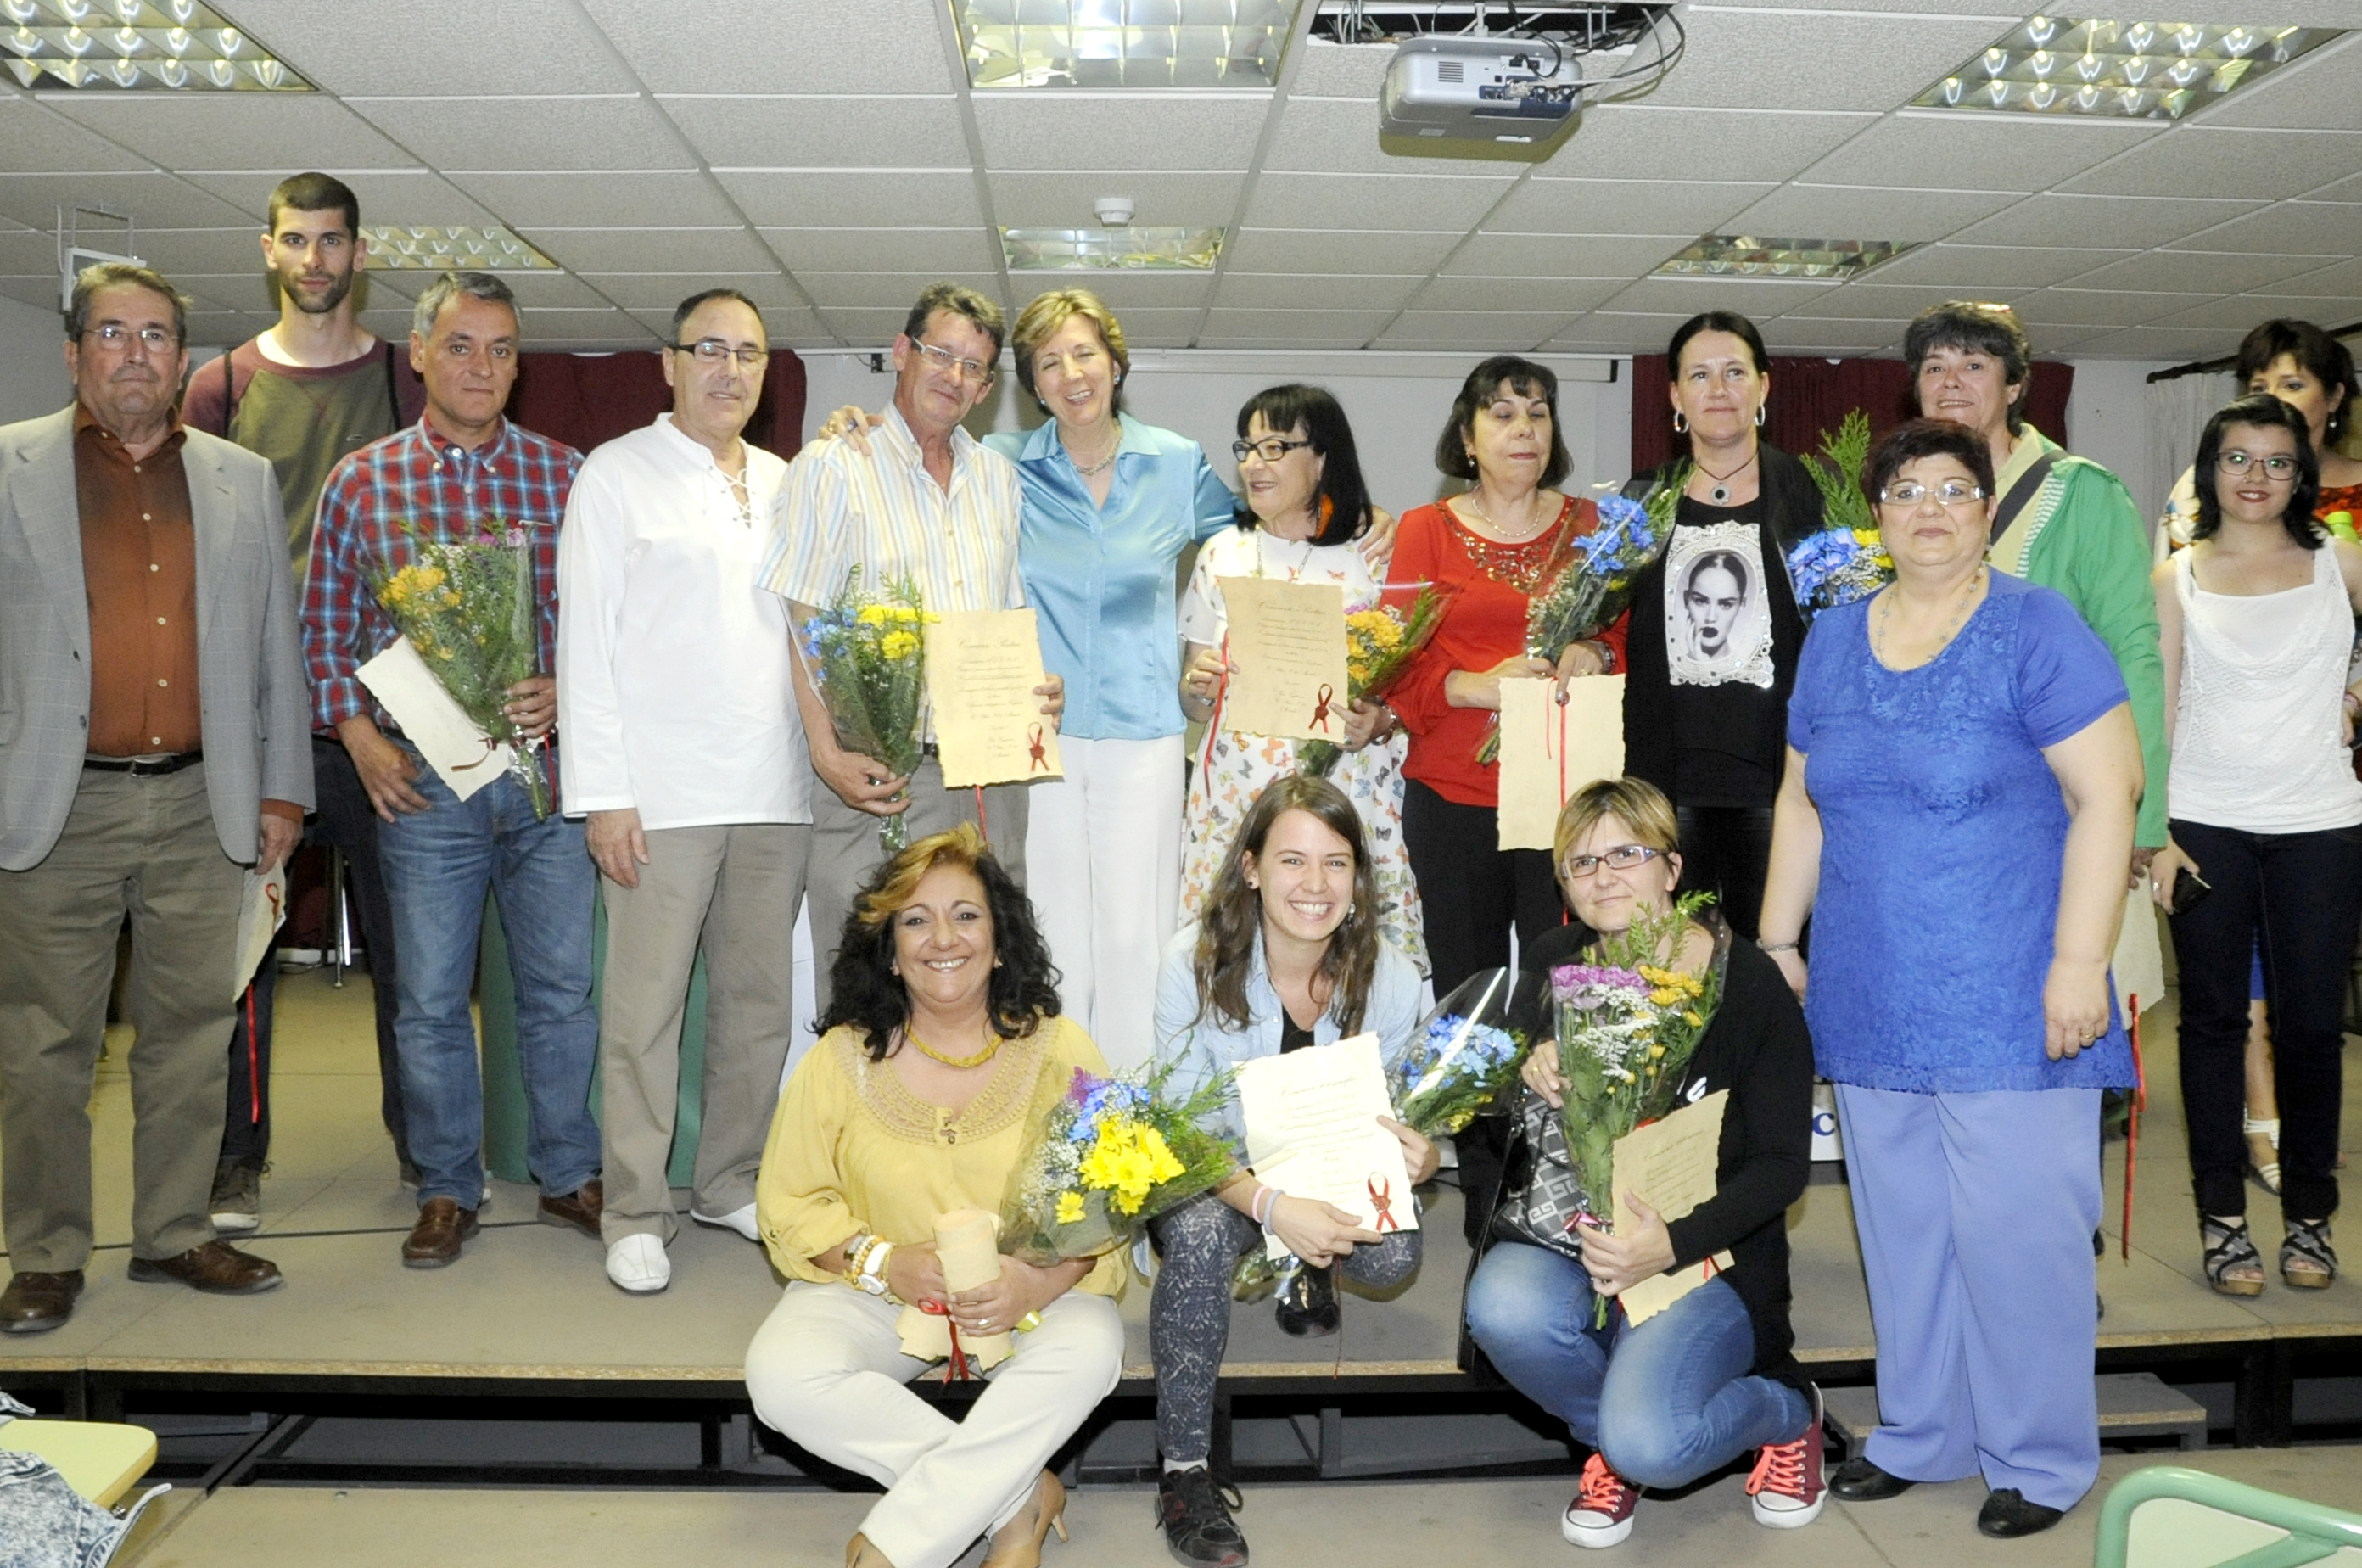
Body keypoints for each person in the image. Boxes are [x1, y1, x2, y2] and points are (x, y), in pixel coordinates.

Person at [1759, 417, 2143, 1538]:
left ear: (1987, 511)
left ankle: (2041, 1455)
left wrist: (2081, 963)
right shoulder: (1832, 637)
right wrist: (1780, 940)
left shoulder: (2037, 627)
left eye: (1956, 488)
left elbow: (2108, 795)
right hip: (1870, 989)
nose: (1931, 506)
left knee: (2022, 1239)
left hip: (2015, 992)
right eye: (1907, 489)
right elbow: (1799, 797)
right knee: (1906, 1231)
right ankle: (1923, 1431)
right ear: (1876, 515)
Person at [811, 288, 1235, 1069]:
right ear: (1029, 386)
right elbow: (915, 442)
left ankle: (1134, 1122)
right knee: (1048, 933)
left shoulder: (1176, 463)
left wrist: (1358, 514)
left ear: (1115, 362)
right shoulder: (1001, 466)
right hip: (1030, 741)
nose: (1072, 374)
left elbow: (1255, 537)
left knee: (1138, 937)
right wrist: (858, 422)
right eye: (1049, 362)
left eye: (1085, 354)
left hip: (1144, 738)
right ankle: (1061, 1115)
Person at [0, 263, 308, 1334]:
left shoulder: (240, 478)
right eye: (115, 333)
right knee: (46, 1042)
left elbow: (277, 649)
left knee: (192, 1029)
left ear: (184, 359)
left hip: (201, 802)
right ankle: (43, 1250)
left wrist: (284, 790)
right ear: (77, 351)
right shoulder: (8, 467)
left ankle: (176, 1231)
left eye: (159, 335)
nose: (137, 353)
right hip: (55, 808)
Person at [304, 271, 603, 1270]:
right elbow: (325, 634)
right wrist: (357, 735)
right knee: (429, 1000)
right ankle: (446, 1185)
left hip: (547, 785)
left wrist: (567, 686)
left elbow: (608, 628)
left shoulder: (568, 477)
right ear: (419, 352)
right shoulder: (362, 481)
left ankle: (567, 1172)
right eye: (463, 346)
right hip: (424, 791)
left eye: (504, 348)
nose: (484, 367)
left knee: (561, 992)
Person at [744, 824, 1122, 1568]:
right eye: (915, 920)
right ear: (889, 950)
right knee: (781, 1374)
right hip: (879, 1291)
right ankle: (1018, 1502)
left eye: (966, 914)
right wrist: (884, 1262)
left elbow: (1109, 1198)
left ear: (1001, 939)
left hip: (1028, 1293)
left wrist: (1032, 1280)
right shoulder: (839, 1059)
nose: (941, 937)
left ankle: (900, 1544)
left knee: (1094, 1348)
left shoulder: (1060, 1048)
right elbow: (788, 1202)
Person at [1466, 777, 1821, 1550]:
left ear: (1672, 867)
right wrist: (1530, 1066)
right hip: (1580, 1243)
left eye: (1626, 853)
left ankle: (1787, 1414)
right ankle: (1615, 1440)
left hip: (1707, 1260)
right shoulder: (1558, 961)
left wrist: (1669, 1245)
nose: (1604, 877)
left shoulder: (1750, 983)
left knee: (1658, 1446)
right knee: (1501, 1308)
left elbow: (1782, 1166)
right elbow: (1503, 1131)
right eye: (1581, 863)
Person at [180, 171, 428, 1231]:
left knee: (407, 954)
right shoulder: (219, 385)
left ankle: (429, 1155)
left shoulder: (403, 380)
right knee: (245, 954)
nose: (316, 260)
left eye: (334, 242)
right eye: (297, 241)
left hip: (382, 719)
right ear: (269, 252)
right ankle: (236, 1159)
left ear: (359, 255)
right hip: (255, 718)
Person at [556, 288, 809, 1295]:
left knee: (756, 1008)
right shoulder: (616, 475)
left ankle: (728, 1181)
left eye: (748, 354)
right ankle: (634, 1206)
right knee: (644, 1013)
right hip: (658, 795)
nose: (729, 369)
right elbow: (586, 643)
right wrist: (604, 795)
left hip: (776, 786)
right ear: (669, 363)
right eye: (709, 349)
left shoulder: (790, 483)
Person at [1148, 775, 1429, 1568]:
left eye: (1336, 864)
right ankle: (1184, 1472)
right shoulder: (1192, 964)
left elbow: (1410, 1110)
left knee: (1396, 1252)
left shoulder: (1394, 977)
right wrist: (1272, 1207)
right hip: (1218, 1180)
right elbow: (1177, 1134)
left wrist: (1423, 1152)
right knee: (1201, 1235)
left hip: (1327, 1179)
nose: (1314, 886)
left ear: (1359, 880)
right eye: (1292, 861)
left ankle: (1303, 1268)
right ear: (1250, 869)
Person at [760, 282, 1061, 1019]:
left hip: (990, 778)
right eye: (940, 354)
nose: (954, 377)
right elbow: (799, 620)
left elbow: (1006, 609)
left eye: (974, 367)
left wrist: (1035, 685)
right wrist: (827, 754)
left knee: (989, 982)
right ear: (902, 353)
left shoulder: (996, 480)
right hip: (882, 776)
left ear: (988, 388)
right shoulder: (834, 466)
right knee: (872, 985)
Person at [1387, 355, 1623, 1240]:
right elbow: (1397, 666)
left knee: (1577, 987)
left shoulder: (1594, 526)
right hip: (1454, 796)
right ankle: (1491, 1204)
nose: (1524, 430)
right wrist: (1480, 686)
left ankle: (1579, 1187)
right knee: (1475, 1003)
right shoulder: (1424, 530)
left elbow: (1622, 641)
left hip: (1566, 801)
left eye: (1538, 413)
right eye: (1502, 415)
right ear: (1468, 436)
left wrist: (1592, 652)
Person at [2148, 394, 2362, 1295]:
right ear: (2210, 469)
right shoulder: (2176, 576)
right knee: (2211, 1025)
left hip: (2321, 821)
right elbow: (2155, 713)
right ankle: (2222, 1220)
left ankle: (2310, 1215)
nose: (2257, 478)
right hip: (2204, 823)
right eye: (2239, 459)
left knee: (2313, 1027)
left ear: (2301, 474)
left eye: (2278, 462)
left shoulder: (2342, 566)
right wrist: (2151, 832)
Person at [1905, 301, 2168, 866]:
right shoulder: (1907, 500)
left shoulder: (2083, 493)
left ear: (2016, 384)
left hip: (2063, 791)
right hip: (1940, 797)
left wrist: (2140, 812)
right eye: (1933, 367)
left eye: (1973, 366)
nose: (1950, 383)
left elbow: (2133, 650)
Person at [1178, 384, 1424, 972]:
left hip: (1350, 792)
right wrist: (1197, 686)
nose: (1251, 464)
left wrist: (1381, 719)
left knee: (1351, 969)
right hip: (1240, 800)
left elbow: (1409, 687)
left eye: (1274, 447)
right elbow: (1192, 700)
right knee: (1236, 967)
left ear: (1322, 458)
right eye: (1246, 447)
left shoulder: (1377, 553)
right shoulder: (1223, 553)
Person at [1616, 314, 1823, 943]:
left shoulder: (1810, 491)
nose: (1719, 389)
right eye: (1699, 375)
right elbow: (1603, 614)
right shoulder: (1647, 495)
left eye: (1735, 373)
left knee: (1780, 960)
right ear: (1676, 397)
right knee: (1676, 967)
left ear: (1763, 387)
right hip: (1672, 777)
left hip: (1781, 777)